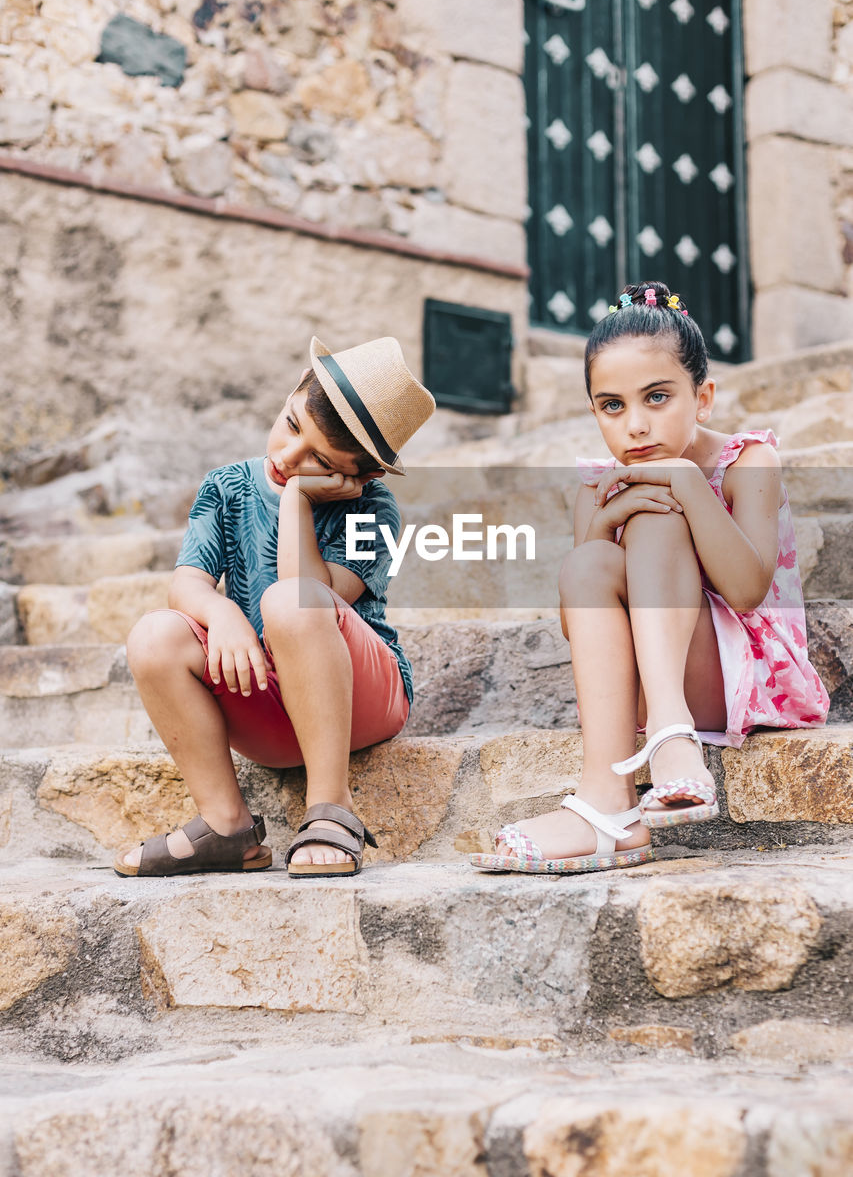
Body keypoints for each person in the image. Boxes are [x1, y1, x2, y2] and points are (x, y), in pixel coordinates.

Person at [473, 280, 829, 875]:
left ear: (704, 397)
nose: (635, 425)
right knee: (593, 556)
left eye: (657, 398)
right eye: (612, 406)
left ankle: (669, 733)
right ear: (593, 412)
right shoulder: (601, 483)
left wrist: (688, 485)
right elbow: (578, 617)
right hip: (644, 676)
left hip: (740, 673)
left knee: (661, 515)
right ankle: (609, 801)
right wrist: (608, 517)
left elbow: (746, 591)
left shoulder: (748, 462)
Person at [114, 335, 435, 879]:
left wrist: (295, 500)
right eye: (291, 425)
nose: (287, 458)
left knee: (291, 601)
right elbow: (186, 584)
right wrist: (224, 617)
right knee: (154, 635)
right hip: (270, 702)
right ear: (290, 396)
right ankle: (226, 825)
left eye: (317, 460)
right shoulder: (227, 487)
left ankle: (331, 808)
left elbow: (306, 591)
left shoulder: (373, 509)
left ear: (362, 475)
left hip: (358, 700)